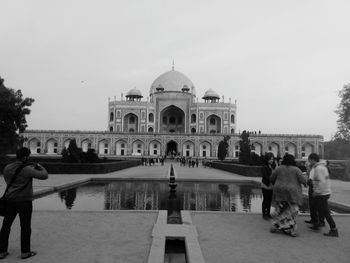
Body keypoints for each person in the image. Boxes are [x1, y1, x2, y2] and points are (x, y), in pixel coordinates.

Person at [0, 147, 48, 260]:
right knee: (25, 227)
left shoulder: (7, 168)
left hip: (10, 200)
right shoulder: (27, 169)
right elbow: (44, 175)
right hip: (24, 201)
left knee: (6, 226)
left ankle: (2, 251)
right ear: (26, 157)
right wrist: (40, 167)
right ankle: (25, 252)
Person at [269, 154, 307, 237]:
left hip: (279, 191)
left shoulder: (279, 168)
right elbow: (303, 180)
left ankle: (275, 226)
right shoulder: (296, 169)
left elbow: (272, 178)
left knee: (280, 209)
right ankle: (290, 230)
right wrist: (305, 183)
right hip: (292, 192)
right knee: (292, 211)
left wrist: (276, 183)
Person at [308, 153, 338, 237]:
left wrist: (316, 191)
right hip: (325, 192)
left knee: (325, 212)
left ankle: (334, 229)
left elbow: (321, 182)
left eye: (309, 160)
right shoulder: (323, 167)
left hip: (322, 193)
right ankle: (318, 224)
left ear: (313, 159)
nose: (309, 162)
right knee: (320, 209)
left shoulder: (318, 168)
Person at [261, 153, 275, 219]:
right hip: (265, 185)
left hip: (271, 186)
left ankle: (268, 213)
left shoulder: (271, 167)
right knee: (265, 200)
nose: (272, 160)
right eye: (270, 159)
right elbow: (265, 176)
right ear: (267, 160)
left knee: (269, 200)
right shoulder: (264, 167)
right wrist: (272, 178)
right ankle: (264, 214)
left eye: (272, 159)